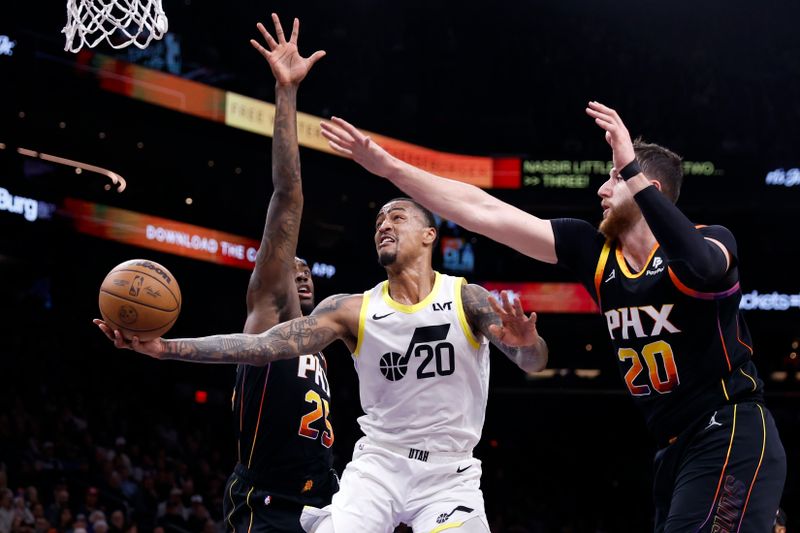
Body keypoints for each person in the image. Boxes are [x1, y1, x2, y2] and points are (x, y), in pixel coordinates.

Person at [316, 103, 787, 532]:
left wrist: (631, 165)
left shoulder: (713, 240)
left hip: (729, 427)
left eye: (615, 179)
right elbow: (483, 211)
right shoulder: (594, 253)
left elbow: (702, 267)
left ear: (650, 190)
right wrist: (390, 168)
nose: (602, 189)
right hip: (671, 446)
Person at [96, 195, 548, 533]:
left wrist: (527, 344)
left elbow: (531, 361)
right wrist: (165, 349)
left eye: (397, 216)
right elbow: (261, 347)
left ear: (430, 234)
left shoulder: (467, 298)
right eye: (378, 221)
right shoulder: (350, 309)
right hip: (379, 466)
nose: (383, 225)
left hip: (450, 473)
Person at [97, 13, 332, 533]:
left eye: (306, 266)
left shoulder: (320, 336)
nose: (300, 271)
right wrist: (286, 94)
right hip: (270, 505)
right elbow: (288, 196)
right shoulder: (271, 310)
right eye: (290, 262)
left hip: (330, 502)